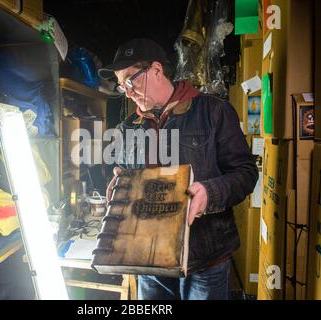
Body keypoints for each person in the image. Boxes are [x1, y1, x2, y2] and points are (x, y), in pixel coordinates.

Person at [99, 38, 259, 300]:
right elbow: (124, 171)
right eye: (121, 84)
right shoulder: (128, 128)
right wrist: (120, 185)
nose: (127, 92)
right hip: (148, 260)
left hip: (205, 258)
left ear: (157, 71)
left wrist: (210, 192)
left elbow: (246, 172)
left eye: (130, 80)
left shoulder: (213, 112)